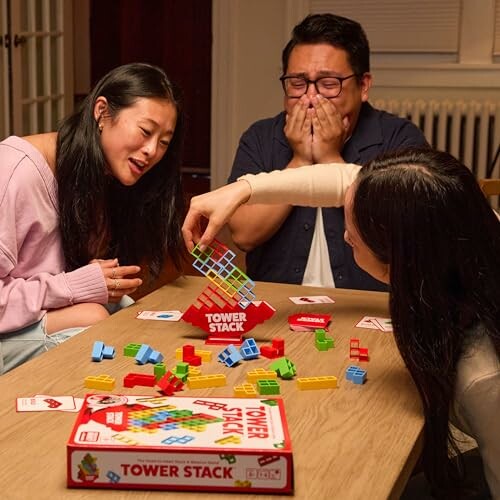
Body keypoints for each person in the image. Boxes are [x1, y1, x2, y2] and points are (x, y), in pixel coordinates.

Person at [182, 147, 500, 498]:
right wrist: (243, 190)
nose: (345, 234)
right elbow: (344, 183)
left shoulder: (483, 378)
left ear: (396, 261)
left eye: (353, 234)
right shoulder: (461, 229)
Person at [0, 62, 185, 374]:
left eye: (164, 142)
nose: (152, 150)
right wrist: (73, 286)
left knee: (135, 318)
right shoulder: (14, 172)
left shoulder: (98, 174)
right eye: (145, 131)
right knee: (95, 320)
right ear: (102, 112)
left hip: (37, 318)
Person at [227, 13, 428, 291]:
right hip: (279, 306)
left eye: (329, 83)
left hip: (368, 305)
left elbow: (402, 237)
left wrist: (330, 159)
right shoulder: (261, 137)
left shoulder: (398, 137)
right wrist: (299, 161)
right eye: (297, 83)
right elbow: (244, 234)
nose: (311, 98)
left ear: (364, 86)